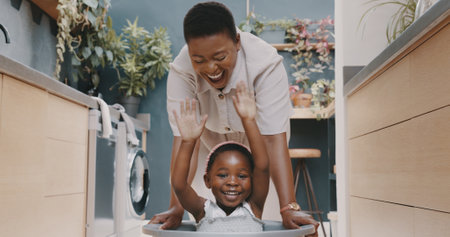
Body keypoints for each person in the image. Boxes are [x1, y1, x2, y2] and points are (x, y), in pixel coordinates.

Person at [150, 1, 319, 235]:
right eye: (199, 60)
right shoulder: (182, 70)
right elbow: (186, 139)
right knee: (204, 221)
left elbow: (272, 141)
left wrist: (288, 207)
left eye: (220, 56)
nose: (210, 68)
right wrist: (176, 207)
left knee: (266, 220)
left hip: (258, 139)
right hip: (207, 145)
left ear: (237, 42)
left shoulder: (265, 64)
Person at [171, 82, 269, 232]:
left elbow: (262, 166)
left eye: (242, 176)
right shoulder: (202, 211)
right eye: (223, 175)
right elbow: (179, 184)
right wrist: (188, 142)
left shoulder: (254, 208)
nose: (232, 182)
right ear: (207, 180)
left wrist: (249, 120)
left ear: (252, 180)